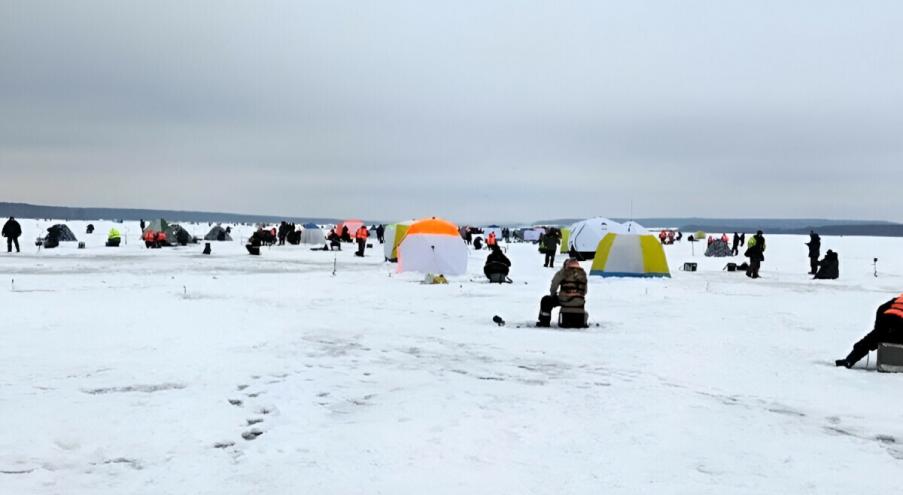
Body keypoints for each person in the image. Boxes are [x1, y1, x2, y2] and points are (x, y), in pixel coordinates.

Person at [836, 295, 903, 368]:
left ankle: (849, 360)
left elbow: (882, 308)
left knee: (869, 340)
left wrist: (877, 331)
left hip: (885, 318)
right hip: (899, 323)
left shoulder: (899, 298)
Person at [536, 258, 588, 327]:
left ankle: (544, 322)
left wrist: (553, 294)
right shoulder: (582, 274)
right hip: (580, 302)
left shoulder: (563, 272)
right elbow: (585, 291)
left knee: (546, 300)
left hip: (565, 300)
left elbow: (554, 285)